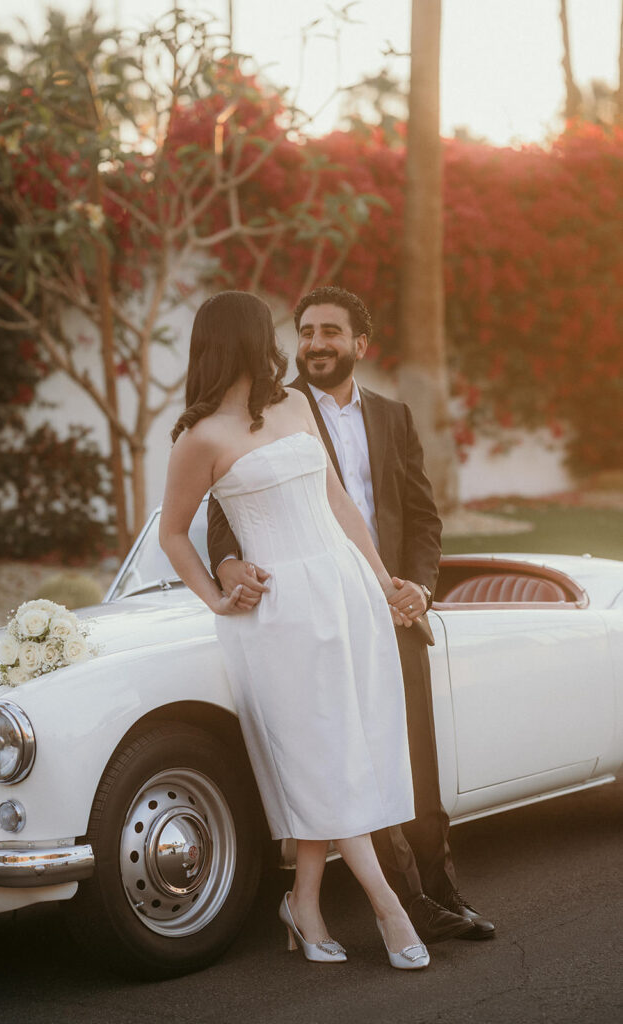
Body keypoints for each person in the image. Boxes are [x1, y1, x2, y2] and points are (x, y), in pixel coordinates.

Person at [208, 285, 495, 943]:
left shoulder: (392, 417)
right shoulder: (273, 409)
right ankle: (407, 905)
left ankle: (445, 892)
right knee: (348, 757)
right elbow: (223, 506)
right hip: (315, 605)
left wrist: (416, 587)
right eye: (305, 331)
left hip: (389, 605)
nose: (314, 343)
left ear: (359, 346)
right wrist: (226, 565)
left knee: (410, 765)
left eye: (330, 332)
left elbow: (422, 518)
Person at [160, 289, 430, 969]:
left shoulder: (293, 405)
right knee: (324, 757)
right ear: (245, 341)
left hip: (342, 594)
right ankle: (386, 907)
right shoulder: (200, 437)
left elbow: (336, 501)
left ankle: (301, 903)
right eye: (270, 332)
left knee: (346, 750)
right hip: (278, 617)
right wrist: (218, 596)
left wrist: (378, 582)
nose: (283, 343)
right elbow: (172, 534)